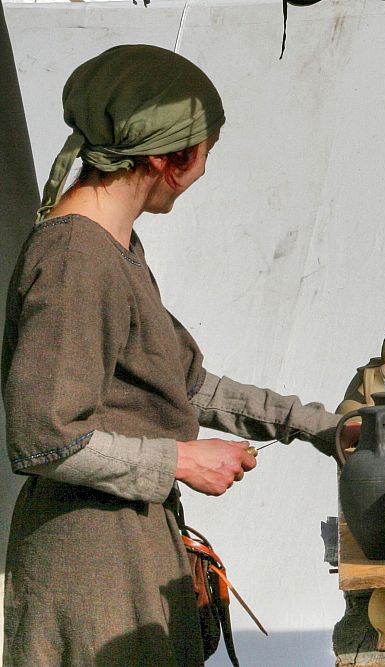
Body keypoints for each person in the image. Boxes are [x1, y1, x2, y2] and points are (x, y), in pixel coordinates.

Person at [2, 45, 342, 666]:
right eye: (207, 151)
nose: (206, 171)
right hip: (91, 569)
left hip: (133, 545)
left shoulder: (116, 246)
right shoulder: (75, 260)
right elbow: (42, 436)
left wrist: (323, 427)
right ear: (169, 158)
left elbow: (188, 387)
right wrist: (181, 459)